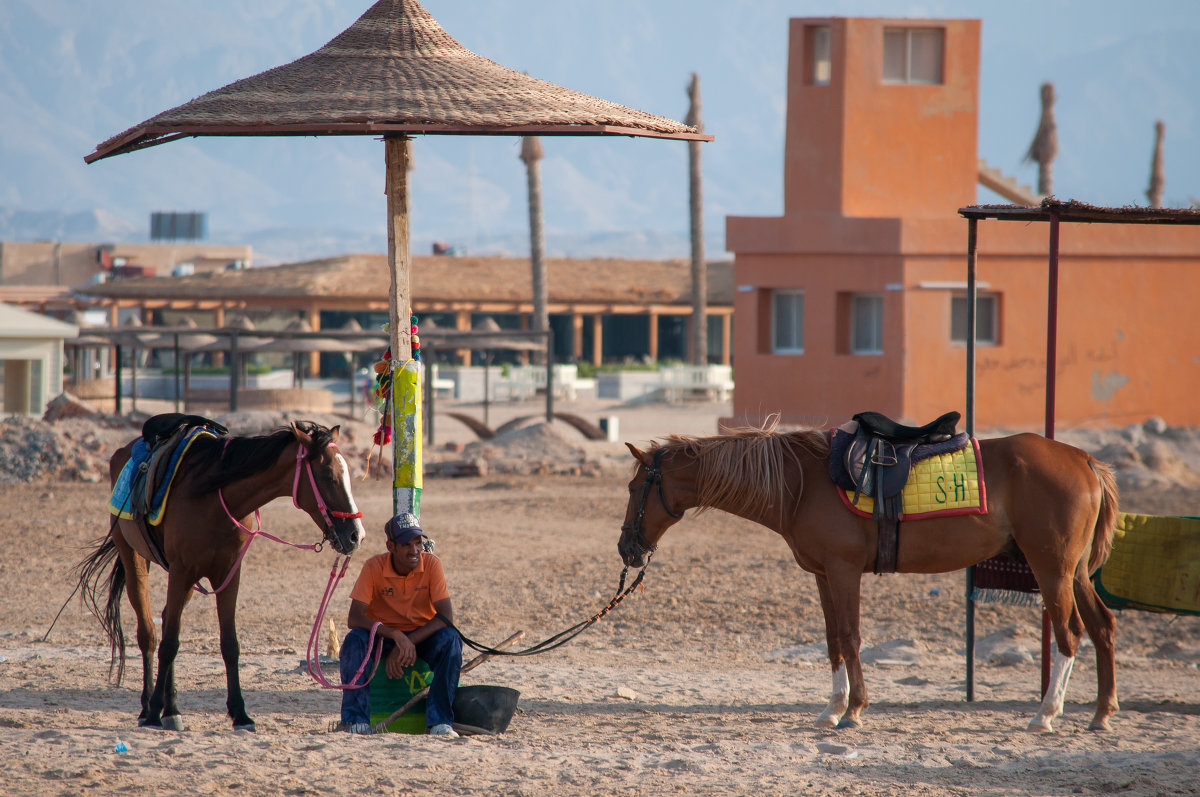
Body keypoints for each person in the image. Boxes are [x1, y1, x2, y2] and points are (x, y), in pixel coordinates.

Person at [338, 513, 462, 737]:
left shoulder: (432, 564)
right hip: (383, 635)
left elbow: (446, 616)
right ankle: (355, 721)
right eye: (406, 544)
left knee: (451, 640)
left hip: (421, 636)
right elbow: (354, 618)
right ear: (391, 546)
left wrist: (407, 641)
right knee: (354, 641)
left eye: (418, 543)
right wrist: (395, 635)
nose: (414, 550)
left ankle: (440, 722)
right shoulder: (374, 566)